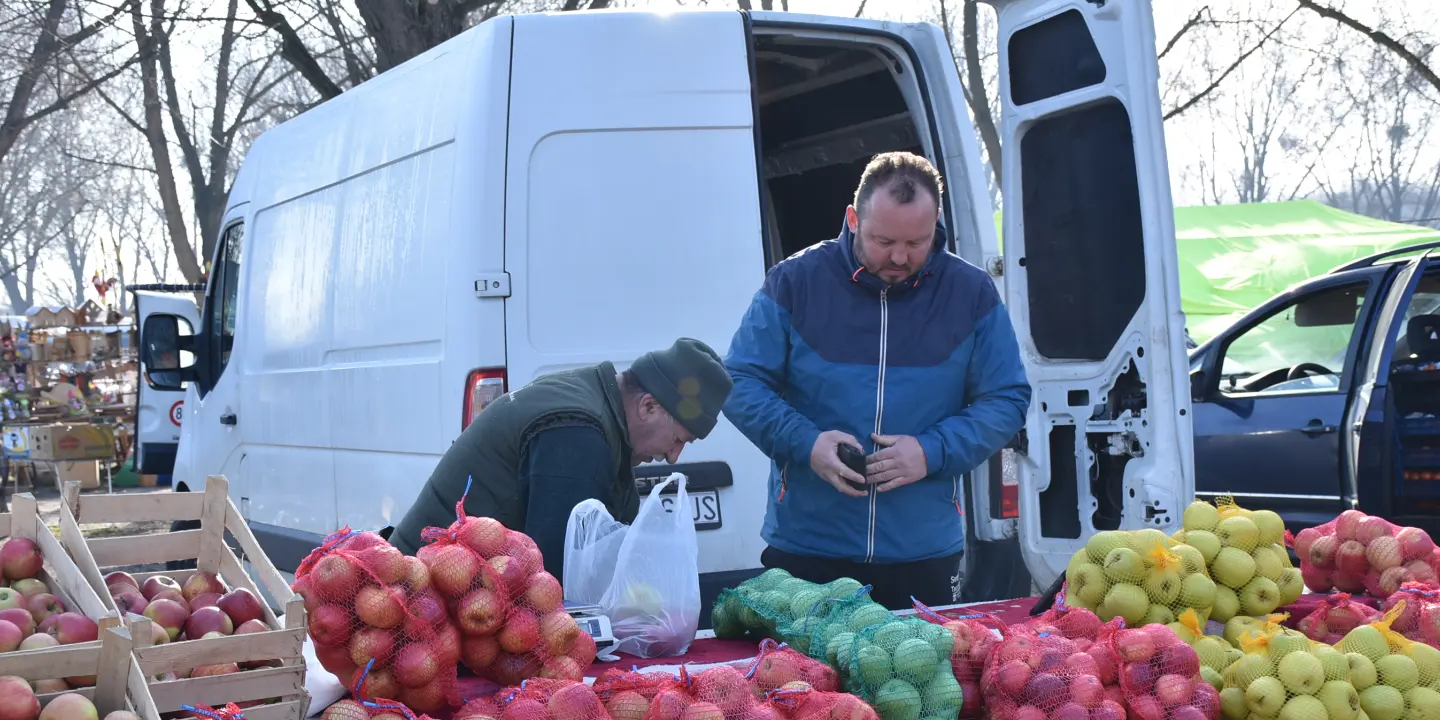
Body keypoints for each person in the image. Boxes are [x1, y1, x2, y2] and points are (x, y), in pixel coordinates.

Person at [723, 151, 1031, 611]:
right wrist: (807, 443)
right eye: (884, 240)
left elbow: (1007, 398)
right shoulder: (794, 281)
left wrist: (931, 452)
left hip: (923, 551)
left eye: (917, 241)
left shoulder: (972, 293)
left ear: (937, 222)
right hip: (808, 548)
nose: (900, 257)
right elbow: (739, 381)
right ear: (852, 218)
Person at [389, 338, 732, 582]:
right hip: (417, 597)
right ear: (648, 406)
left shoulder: (595, 401)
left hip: (449, 590)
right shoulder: (577, 434)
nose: (673, 457)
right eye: (677, 440)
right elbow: (556, 576)